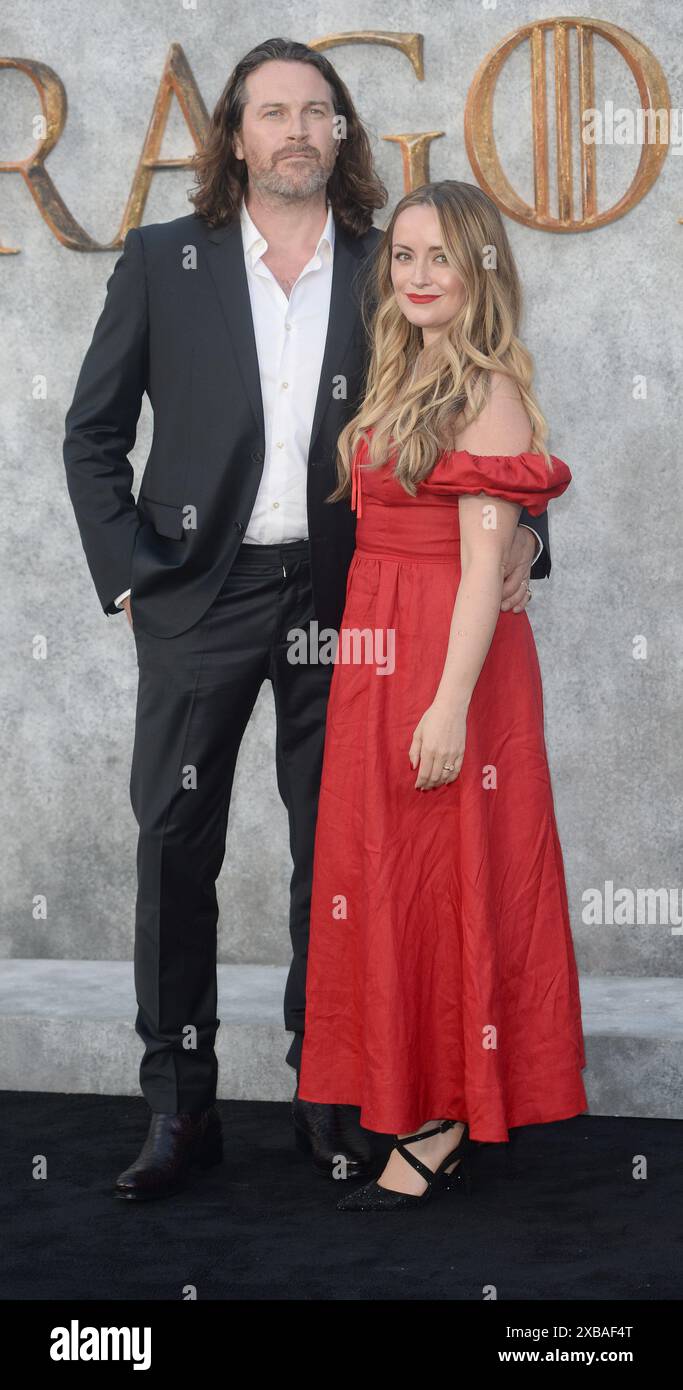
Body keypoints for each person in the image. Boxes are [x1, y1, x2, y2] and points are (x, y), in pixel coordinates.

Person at [62, 36, 554, 1201]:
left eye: (315, 112)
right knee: (175, 850)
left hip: (352, 605)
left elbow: (481, 404)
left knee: (335, 855)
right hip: (202, 596)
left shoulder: (392, 263)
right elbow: (89, 434)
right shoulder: (159, 261)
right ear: (232, 135)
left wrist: (529, 540)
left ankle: (331, 1099)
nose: (293, 130)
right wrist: (136, 571)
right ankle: (179, 1111)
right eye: (270, 111)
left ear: (341, 136)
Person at [297, 179, 588, 1210]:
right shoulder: (405, 365)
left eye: (440, 259)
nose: (417, 276)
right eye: (405, 256)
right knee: (397, 876)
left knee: (456, 865)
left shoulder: (486, 386)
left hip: (446, 660)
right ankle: (415, 1092)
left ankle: (451, 1113)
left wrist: (449, 704)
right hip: (382, 651)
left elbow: (478, 567)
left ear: (480, 272)